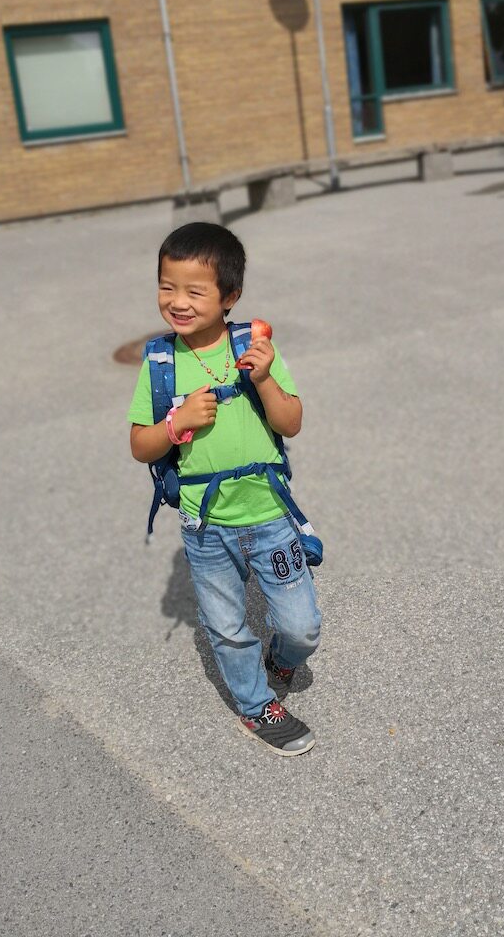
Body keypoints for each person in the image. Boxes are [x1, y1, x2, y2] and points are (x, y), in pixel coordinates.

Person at [128, 222, 321, 756]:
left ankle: (281, 659)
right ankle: (257, 707)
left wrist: (263, 378)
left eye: (195, 291)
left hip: (270, 515)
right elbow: (140, 445)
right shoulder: (160, 363)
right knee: (228, 627)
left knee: (302, 627)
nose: (178, 302)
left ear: (230, 296)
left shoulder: (256, 349)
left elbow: (291, 421)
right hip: (206, 526)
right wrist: (176, 422)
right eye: (167, 286)